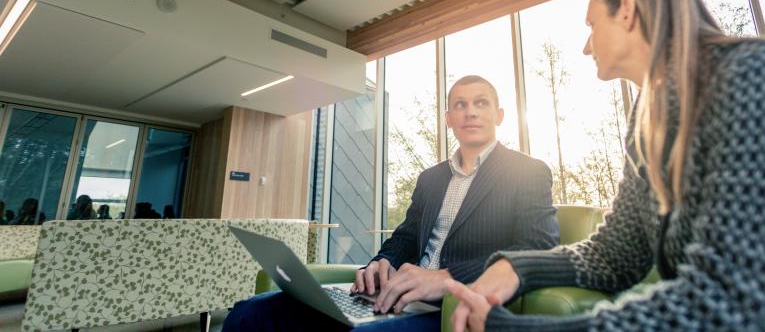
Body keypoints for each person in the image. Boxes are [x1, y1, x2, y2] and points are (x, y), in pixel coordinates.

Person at [447, 0, 765, 331]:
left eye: (592, 25)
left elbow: (730, 302)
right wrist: (519, 269)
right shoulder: (648, 117)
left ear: (627, 12)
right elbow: (617, 255)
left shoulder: (757, 75)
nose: (586, 46)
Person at [225, 75, 560, 331]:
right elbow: (405, 237)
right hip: (391, 297)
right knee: (248, 313)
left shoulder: (527, 172)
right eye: (459, 104)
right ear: (448, 118)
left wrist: (446, 277)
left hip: (444, 308)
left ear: (499, 114)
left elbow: (539, 248)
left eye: (481, 103)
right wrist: (382, 261)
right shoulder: (430, 179)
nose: (470, 111)